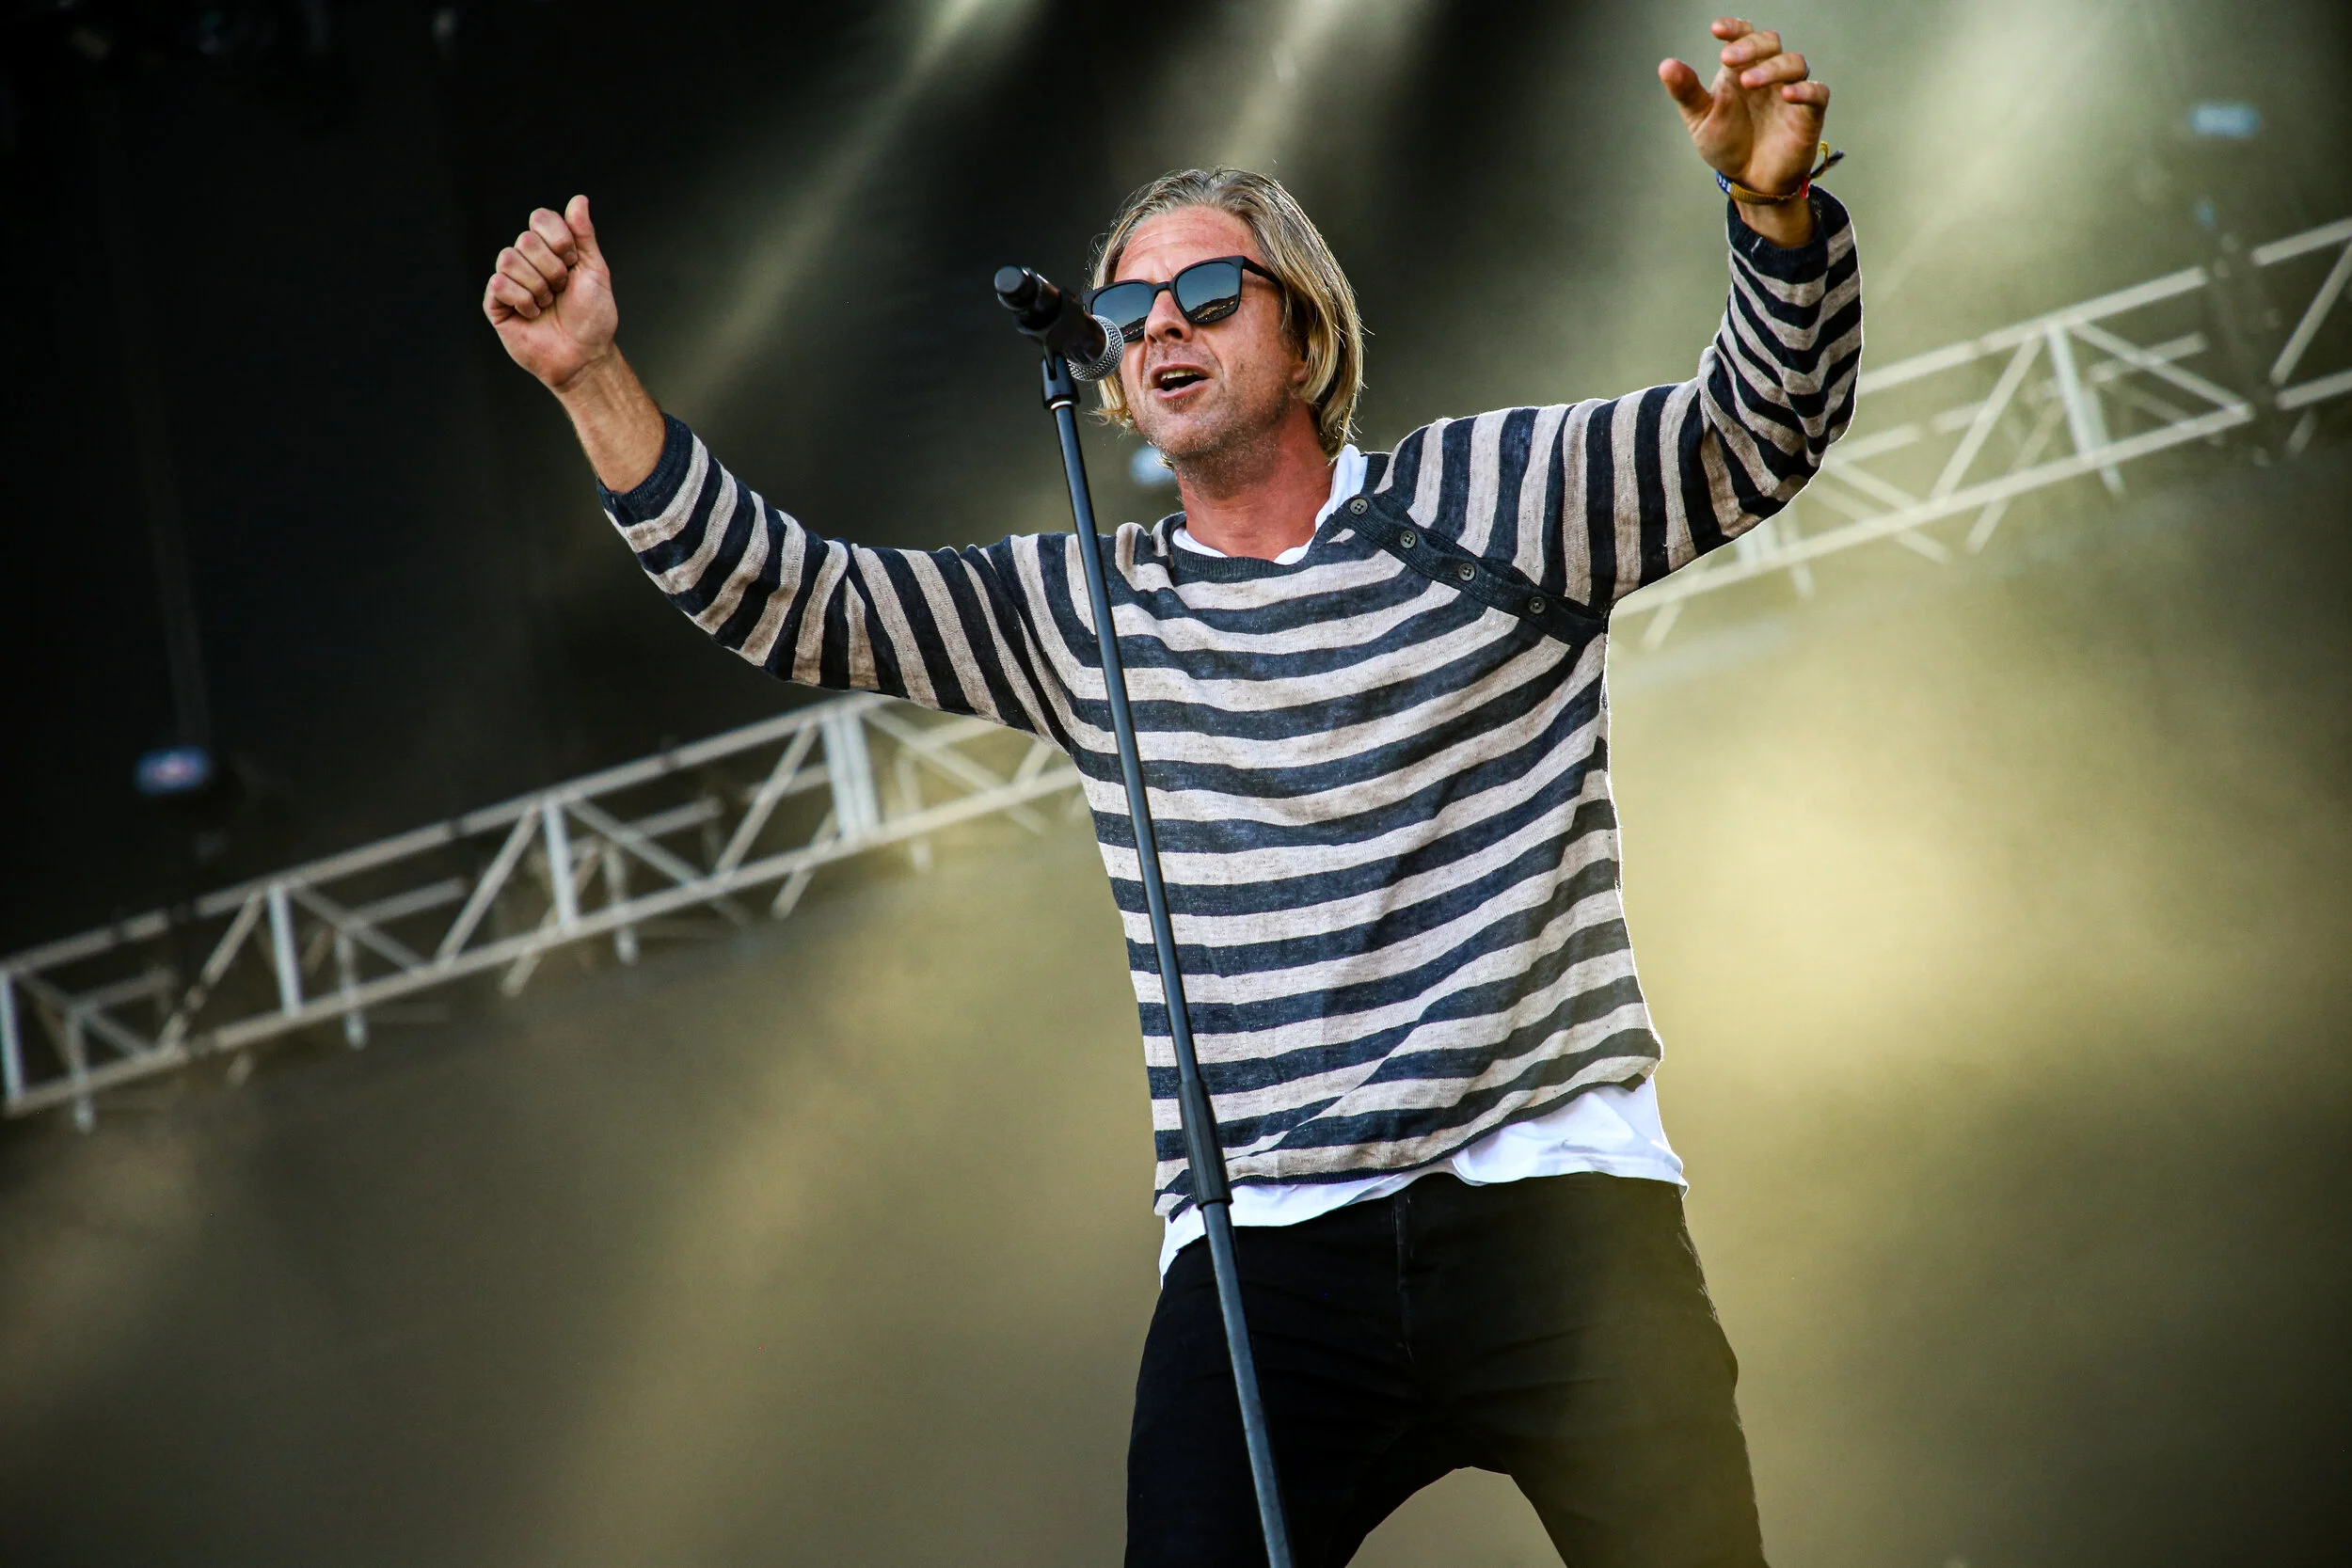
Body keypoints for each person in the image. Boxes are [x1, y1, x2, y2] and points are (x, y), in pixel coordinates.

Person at [484, 17, 1855, 1567]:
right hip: (1266, 1254)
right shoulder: (1092, 608)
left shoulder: (1495, 501)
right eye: (1131, 309)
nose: (1160, 327)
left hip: (1550, 1190)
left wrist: (1773, 218)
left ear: (1306, 329)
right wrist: (594, 374)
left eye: (1206, 290)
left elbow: (1762, 428)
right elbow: (795, 599)